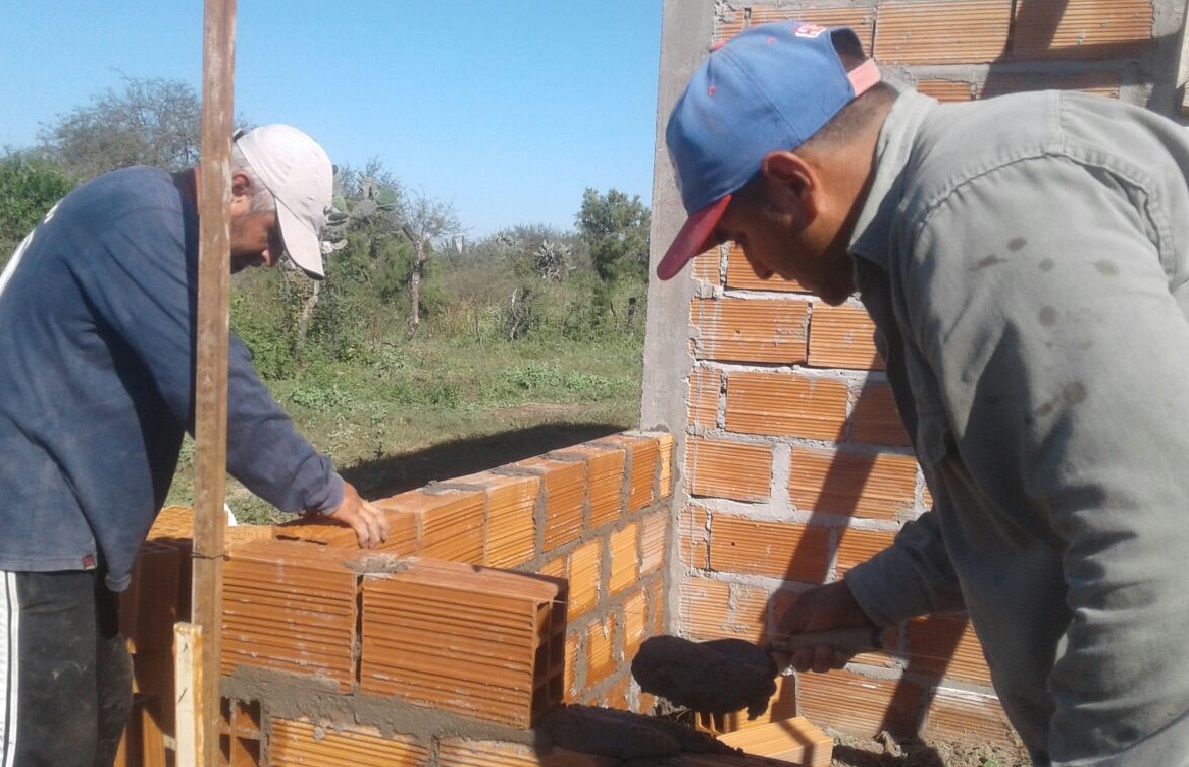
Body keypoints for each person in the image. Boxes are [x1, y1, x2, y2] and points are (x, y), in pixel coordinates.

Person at [657, 20, 1189, 766]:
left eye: (742, 239)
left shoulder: (980, 216)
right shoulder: (918, 241)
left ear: (789, 182)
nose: (761, 270)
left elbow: (1155, 540)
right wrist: (860, 600)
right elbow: (1014, 503)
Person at [0, 124, 390, 766]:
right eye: (273, 237)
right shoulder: (143, 222)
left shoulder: (156, 221)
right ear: (237, 189)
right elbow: (215, 388)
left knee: (98, 718)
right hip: (26, 528)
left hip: (73, 538)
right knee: (43, 748)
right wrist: (323, 488)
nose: (270, 259)